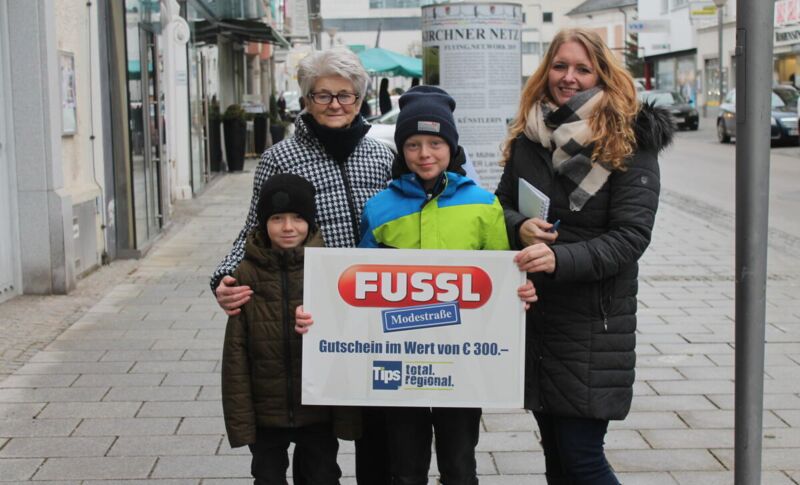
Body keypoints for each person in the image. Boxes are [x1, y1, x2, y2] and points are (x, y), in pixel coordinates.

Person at [495, 28, 673, 484]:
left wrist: (560, 259)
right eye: (559, 66)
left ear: (602, 74)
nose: (568, 77)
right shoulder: (530, 135)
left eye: (582, 68)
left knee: (582, 458)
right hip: (537, 317)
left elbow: (631, 237)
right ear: (545, 71)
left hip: (593, 322)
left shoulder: (628, 138)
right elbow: (501, 204)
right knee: (557, 457)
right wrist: (518, 226)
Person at [211, 47, 395, 485]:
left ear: (360, 99)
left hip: (372, 308)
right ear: (307, 99)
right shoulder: (281, 157)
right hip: (312, 311)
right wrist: (224, 278)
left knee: (377, 432)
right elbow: (253, 228)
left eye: (346, 95)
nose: (335, 104)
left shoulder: (381, 156)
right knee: (321, 436)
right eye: (322, 95)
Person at [352, 85, 537, 485]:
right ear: (401, 149)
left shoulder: (483, 205)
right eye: (413, 144)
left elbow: (500, 277)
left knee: (459, 465)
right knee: (405, 468)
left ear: (452, 147)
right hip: (400, 360)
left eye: (435, 143)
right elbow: (363, 284)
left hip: (462, 361)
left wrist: (517, 293)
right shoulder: (379, 208)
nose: (424, 154)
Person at [222, 174, 358, 484]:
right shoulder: (245, 273)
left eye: (298, 217)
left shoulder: (329, 269)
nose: (288, 227)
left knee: (322, 476)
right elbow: (235, 354)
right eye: (277, 218)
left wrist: (346, 416)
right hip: (266, 409)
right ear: (263, 223)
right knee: (267, 477)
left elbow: (347, 342)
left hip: (317, 409)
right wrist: (242, 420)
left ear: (311, 221)